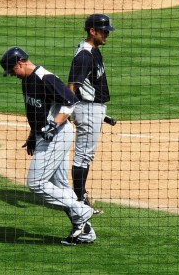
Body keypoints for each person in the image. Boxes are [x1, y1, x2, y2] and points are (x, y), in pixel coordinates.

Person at [0, 46, 96, 245]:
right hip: (46, 135)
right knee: (60, 186)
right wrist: (33, 135)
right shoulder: (26, 80)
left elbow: (71, 101)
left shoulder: (45, 77)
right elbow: (37, 110)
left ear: (20, 63)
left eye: (12, 70)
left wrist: (54, 124)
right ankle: (85, 231)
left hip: (57, 135)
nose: (13, 75)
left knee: (36, 183)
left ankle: (82, 210)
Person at [67, 14, 115, 213]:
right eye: (103, 31)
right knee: (83, 157)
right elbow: (72, 86)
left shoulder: (93, 51)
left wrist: (101, 114)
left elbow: (90, 85)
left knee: (85, 156)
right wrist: (67, 111)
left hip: (92, 109)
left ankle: (80, 195)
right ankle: (79, 200)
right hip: (86, 109)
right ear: (92, 31)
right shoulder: (84, 55)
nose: (106, 35)